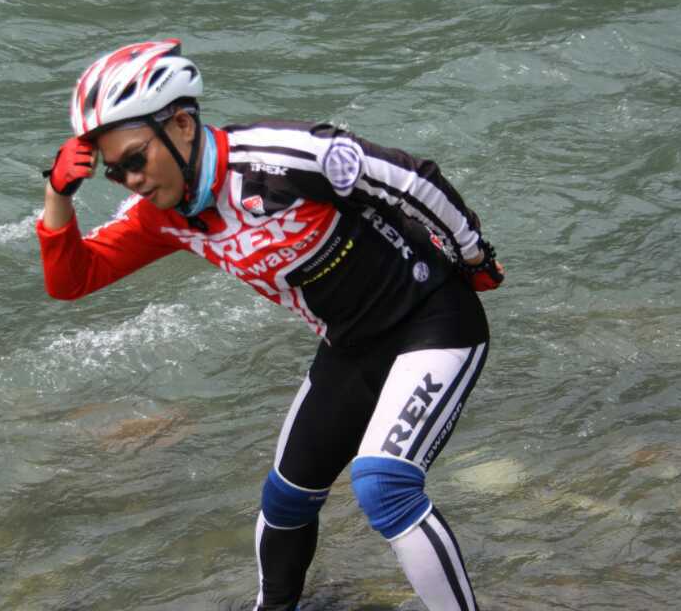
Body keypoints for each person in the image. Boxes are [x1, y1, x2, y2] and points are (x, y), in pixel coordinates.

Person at [37, 38, 504, 611]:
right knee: (286, 499)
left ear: (181, 124)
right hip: (350, 346)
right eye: (115, 172)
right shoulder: (162, 218)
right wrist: (58, 194)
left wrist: (474, 256)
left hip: (434, 319)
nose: (131, 180)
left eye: (135, 160)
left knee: (384, 486)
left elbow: (413, 179)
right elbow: (72, 279)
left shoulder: (284, 157)